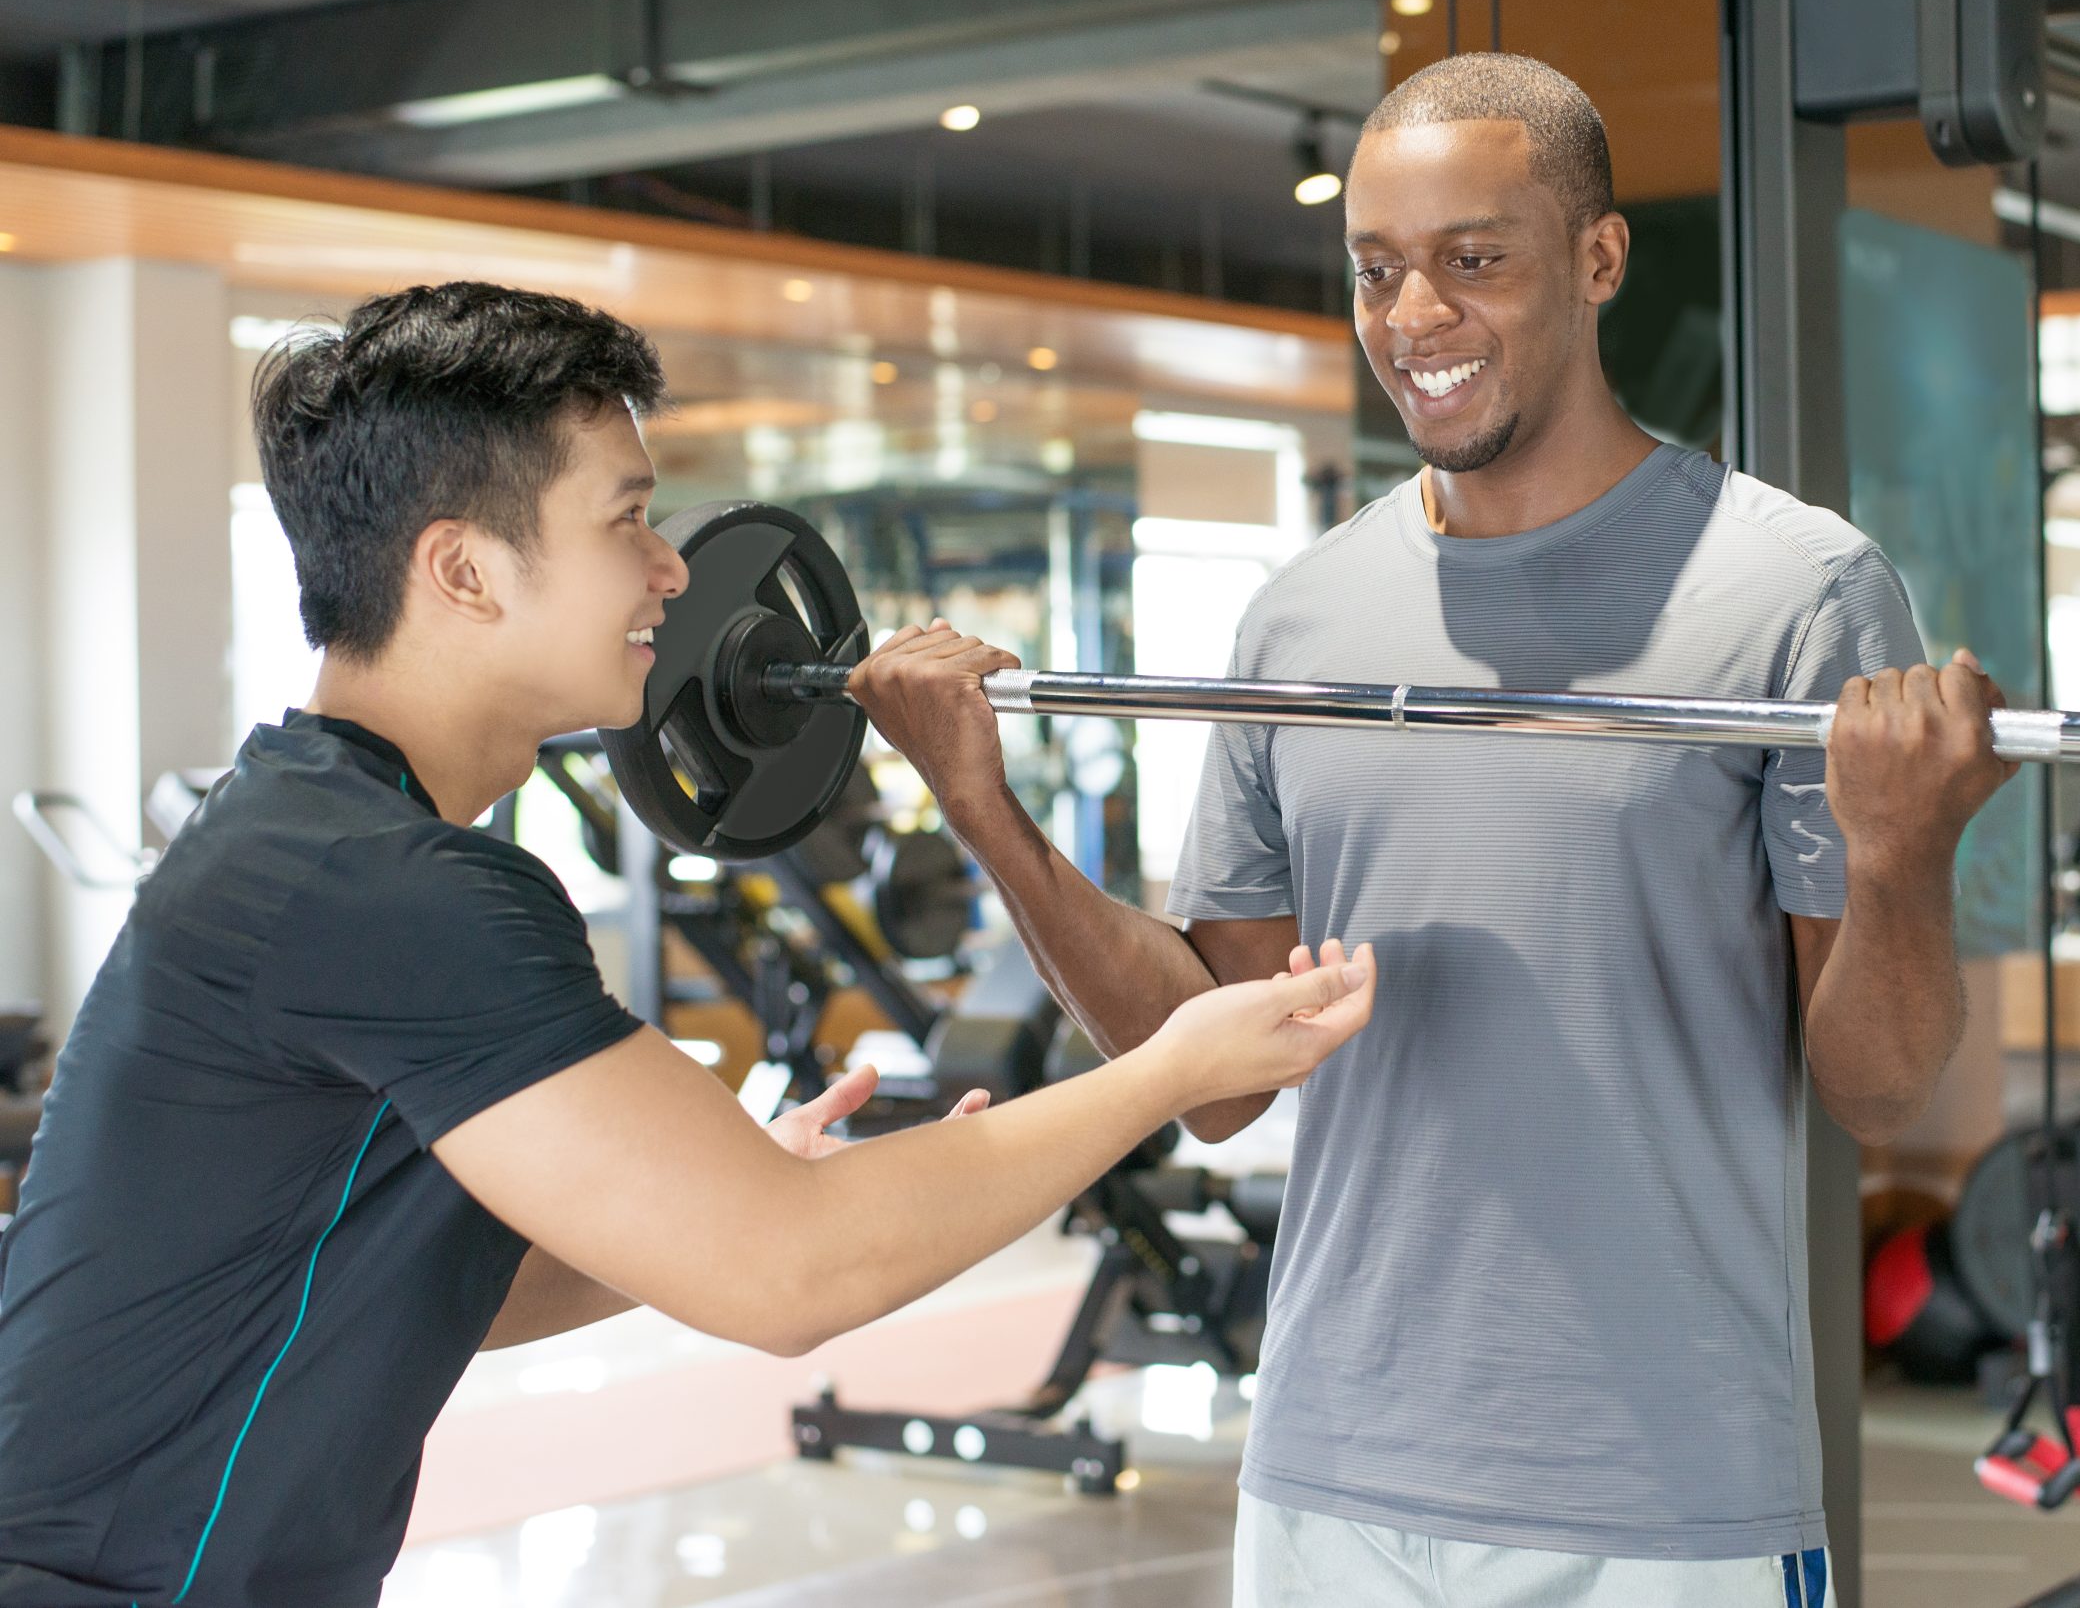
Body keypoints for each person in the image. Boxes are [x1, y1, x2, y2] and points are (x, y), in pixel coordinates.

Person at [0, 282, 1379, 1608]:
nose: (673, 570)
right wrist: (1170, 1065)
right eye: (631, 521)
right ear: (464, 570)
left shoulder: (310, 828)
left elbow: (381, 1292)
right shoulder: (393, 889)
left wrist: (683, 1208)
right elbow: (794, 1276)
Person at [850, 53, 2017, 1607]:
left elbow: (1877, 1084)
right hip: (1335, 1466)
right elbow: (1205, 1074)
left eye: (1476, 259)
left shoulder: (1795, 589)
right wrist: (982, 812)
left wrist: (1900, 853)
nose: (1416, 319)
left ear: (1598, 260)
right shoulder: (1299, 616)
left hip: (1667, 1491)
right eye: (1378, 270)